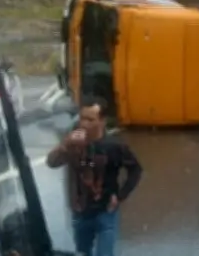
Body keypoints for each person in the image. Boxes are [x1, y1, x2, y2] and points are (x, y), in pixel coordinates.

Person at [46, 96, 142, 256]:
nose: (84, 124)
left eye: (91, 120)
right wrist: (65, 145)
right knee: (82, 252)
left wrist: (120, 196)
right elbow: (52, 162)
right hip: (81, 213)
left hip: (105, 212)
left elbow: (136, 170)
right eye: (82, 118)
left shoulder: (114, 146)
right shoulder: (73, 142)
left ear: (102, 121)